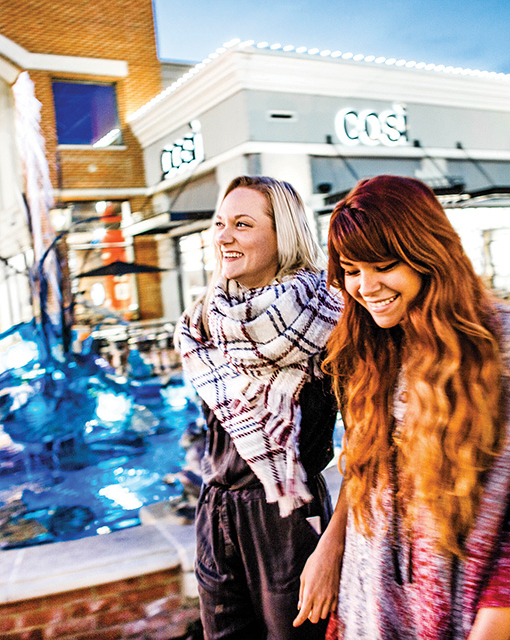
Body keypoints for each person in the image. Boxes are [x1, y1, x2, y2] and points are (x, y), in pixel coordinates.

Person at [299, 176, 510, 640]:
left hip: (470, 610)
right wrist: (331, 546)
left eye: (383, 265)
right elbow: (363, 469)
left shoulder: (506, 346)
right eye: (350, 269)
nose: (365, 287)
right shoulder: (372, 347)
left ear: (428, 254)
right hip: (372, 600)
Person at [177, 175, 343, 639]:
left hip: (288, 519)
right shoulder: (205, 320)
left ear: (282, 235)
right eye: (220, 223)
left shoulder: (325, 316)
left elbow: (371, 441)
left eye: (242, 225)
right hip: (216, 510)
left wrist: (331, 547)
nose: (223, 237)